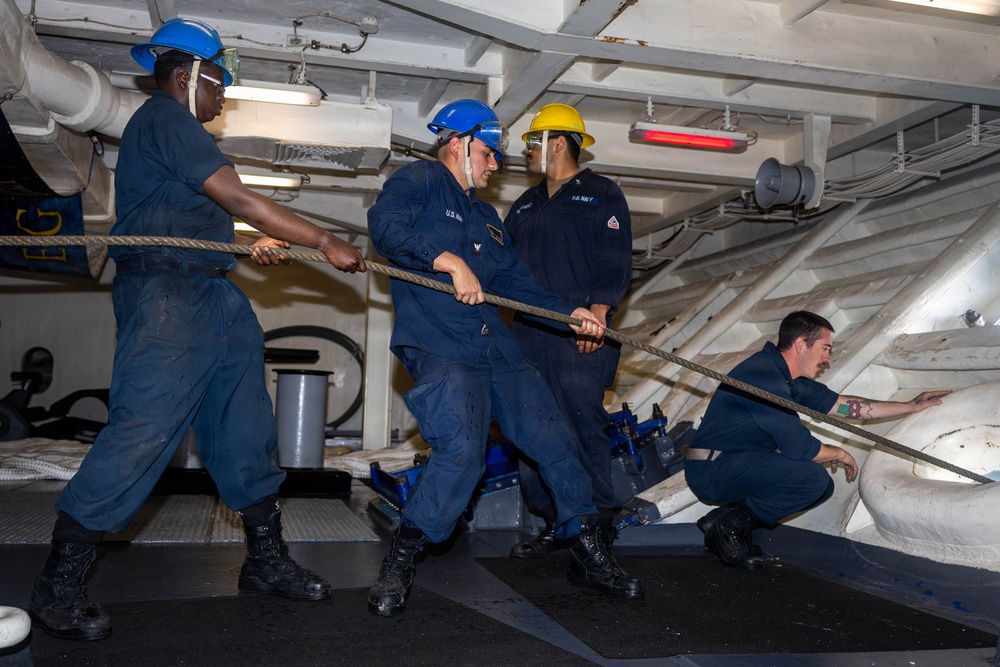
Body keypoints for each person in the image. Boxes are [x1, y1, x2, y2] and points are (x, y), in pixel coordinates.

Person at [28, 17, 366, 641]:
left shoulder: (177, 134)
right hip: (166, 294)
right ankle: (58, 583)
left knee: (246, 429)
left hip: (210, 289)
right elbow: (234, 198)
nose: (223, 97)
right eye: (218, 84)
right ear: (186, 78)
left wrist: (247, 243)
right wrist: (323, 238)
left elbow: (207, 217)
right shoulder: (165, 119)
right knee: (144, 430)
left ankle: (264, 562)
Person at [365, 98, 643, 617]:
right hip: (442, 344)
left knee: (556, 441)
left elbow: (518, 284)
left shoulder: (489, 219)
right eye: (489, 154)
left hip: (497, 348)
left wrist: (574, 313)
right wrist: (447, 261)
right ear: (458, 144)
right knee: (461, 455)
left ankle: (585, 547)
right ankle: (401, 558)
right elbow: (385, 228)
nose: (497, 165)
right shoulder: (419, 183)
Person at [685, 310, 951, 570]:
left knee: (821, 487)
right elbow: (800, 447)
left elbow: (845, 406)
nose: (827, 358)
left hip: (734, 462)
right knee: (811, 479)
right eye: (825, 348)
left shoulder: (788, 379)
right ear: (801, 344)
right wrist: (838, 453)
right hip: (711, 468)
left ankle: (723, 520)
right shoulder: (762, 377)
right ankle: (728, 525)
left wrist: (909, 405)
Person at [503, 104, 633, 558]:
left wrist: (596, 316)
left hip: (580, 334)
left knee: (583, 428)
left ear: (557, 142)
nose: (525, 153)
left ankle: (596, 524)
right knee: (530, 429)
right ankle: (556, 522)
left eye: (531, 143)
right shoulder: (525, 203)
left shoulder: (601, 193)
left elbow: (615, 257)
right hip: (528, 335)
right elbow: (502, 267)